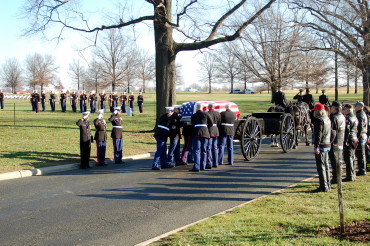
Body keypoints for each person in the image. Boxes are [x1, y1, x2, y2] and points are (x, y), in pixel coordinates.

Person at [311, 103, 331, 192]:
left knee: (321, 167)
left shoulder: (319, 120)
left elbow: (318, 135)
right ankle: (328, 184)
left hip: (321, 145)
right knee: (326, 165)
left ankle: (323, 186)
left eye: (315, 110)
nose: (314, 112)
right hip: (327, 143)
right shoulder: (327, 119)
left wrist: (316, 146)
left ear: (318, 111)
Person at [190, 103, 213, 172]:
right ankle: (203, 165)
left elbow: (193, 124)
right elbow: (211, 123)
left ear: (196, 108)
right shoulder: (206, 114)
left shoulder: (193, 115)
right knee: (204, 150)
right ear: (202, 108)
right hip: (205, 133)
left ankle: (196, 166)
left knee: (196, 150)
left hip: (196, 133)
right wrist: (205, 128)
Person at [328, 101, 345, 184]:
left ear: (334, 108)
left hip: (334, 142)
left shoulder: (334, 118)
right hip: (340, 141)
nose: (330, 108)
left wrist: (329, 142)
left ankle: (336, 178)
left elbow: (333, 132)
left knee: (334, 161)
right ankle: (339, 176)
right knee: (338, 160)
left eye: (331, 107)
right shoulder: (342, 116)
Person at [342, 104, 358, 182]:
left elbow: (347, 131)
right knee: (352, 157)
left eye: (344, 109)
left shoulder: (348, 118)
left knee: (348, 158)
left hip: (350, 139)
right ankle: (352, 174)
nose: (343, 111)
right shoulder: (354, 117)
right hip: (354, 138)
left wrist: (345, 141)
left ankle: (350, 176)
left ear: (348, 110)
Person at [354, 101, 368, 176]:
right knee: (361, 153)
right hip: (363, 134)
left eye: (356, 106)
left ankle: (362, 169)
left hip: (361, 135)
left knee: (360, 153)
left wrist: (357, 137)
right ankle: (362, 168)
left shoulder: (360, 115)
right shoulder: (362, 114)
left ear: (359, 107)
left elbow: (359, 127)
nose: (355, 108)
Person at [206, 102, 221, 168]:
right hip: (215, 130)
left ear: (208, 107)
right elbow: (219, 122)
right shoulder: (218, 113)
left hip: (209, 130)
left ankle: (209, 163)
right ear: (214, 107)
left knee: (208, 148)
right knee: (215, 148)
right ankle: (215, 163)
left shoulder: (207, 113)